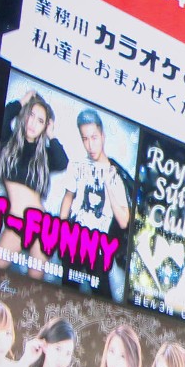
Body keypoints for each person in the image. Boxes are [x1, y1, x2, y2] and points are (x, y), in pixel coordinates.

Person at [56, 108, 133, 299]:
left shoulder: (115, 173)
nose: (90, 145)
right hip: (74, 238)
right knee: (66, 294)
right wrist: (60, 230)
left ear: (103, 136)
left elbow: (124, 221)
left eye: (94, 137)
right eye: (85, 139)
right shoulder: (76, 165)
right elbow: (68, 197)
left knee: (102, 298)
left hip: (99, 247)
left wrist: (109, 184)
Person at [0, 91, 64, 269]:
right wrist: (22, 102)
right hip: (17, 222)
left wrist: (51, 135)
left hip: (41, 224)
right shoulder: (7, 142)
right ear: (24, 115)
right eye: (31, 115)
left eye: (40, 121)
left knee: (34, 288)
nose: (33, 123)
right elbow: (0, 118)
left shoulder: (43, 157)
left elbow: (62, 162)